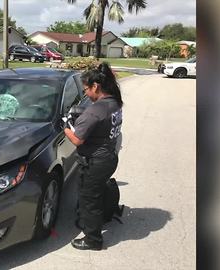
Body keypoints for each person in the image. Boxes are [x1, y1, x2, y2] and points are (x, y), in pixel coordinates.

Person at [64, 62, 123, 250]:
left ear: (96, 86)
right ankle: (92, 221)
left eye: (86, 89)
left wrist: (65, 127)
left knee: (90, 200)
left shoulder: (96, 109)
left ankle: (93, 240)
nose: (85, 94)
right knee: (94, 193)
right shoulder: (114, 102)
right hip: (109, 158)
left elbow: (77, 140)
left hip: (96, 162)